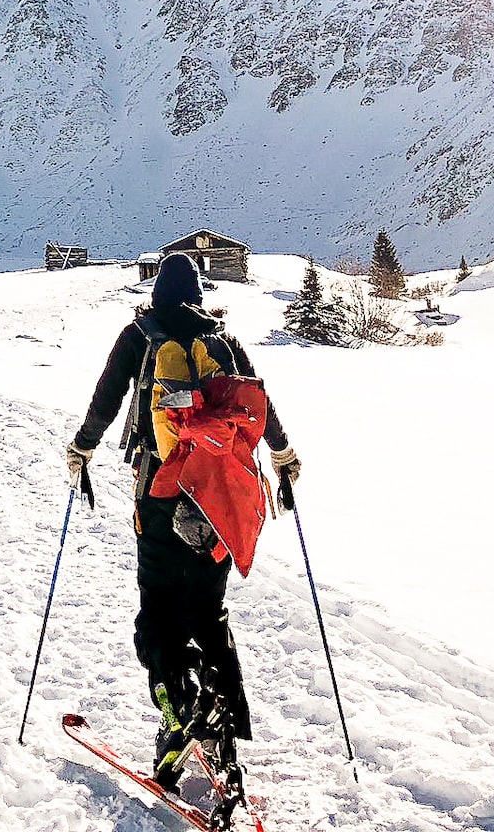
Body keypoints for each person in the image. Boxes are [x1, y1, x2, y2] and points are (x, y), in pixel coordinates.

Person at [63, 252, 302, 795]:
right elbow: (261, 407)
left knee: (159, 615)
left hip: (161, 495)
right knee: (208, 611)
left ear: (157, 294)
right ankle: (223, 737)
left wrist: (82, 449)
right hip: (220, 502)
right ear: (199, 290)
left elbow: (106, 400)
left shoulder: (139, 335)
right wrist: (285, 458)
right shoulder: (224, 341)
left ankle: (179, 711)